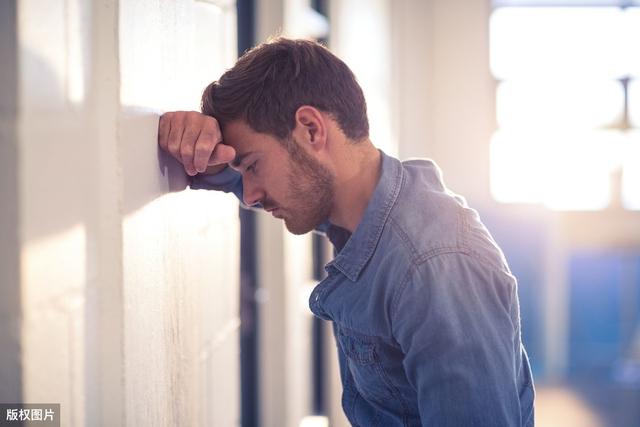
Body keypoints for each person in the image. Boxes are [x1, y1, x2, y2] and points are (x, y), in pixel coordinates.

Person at [157, 37, 535, 426]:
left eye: (252, 166)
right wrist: (196, 143)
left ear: (310, 130)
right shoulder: (366, 210)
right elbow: (236, 178)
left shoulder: (433, 267)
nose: (249, 195)